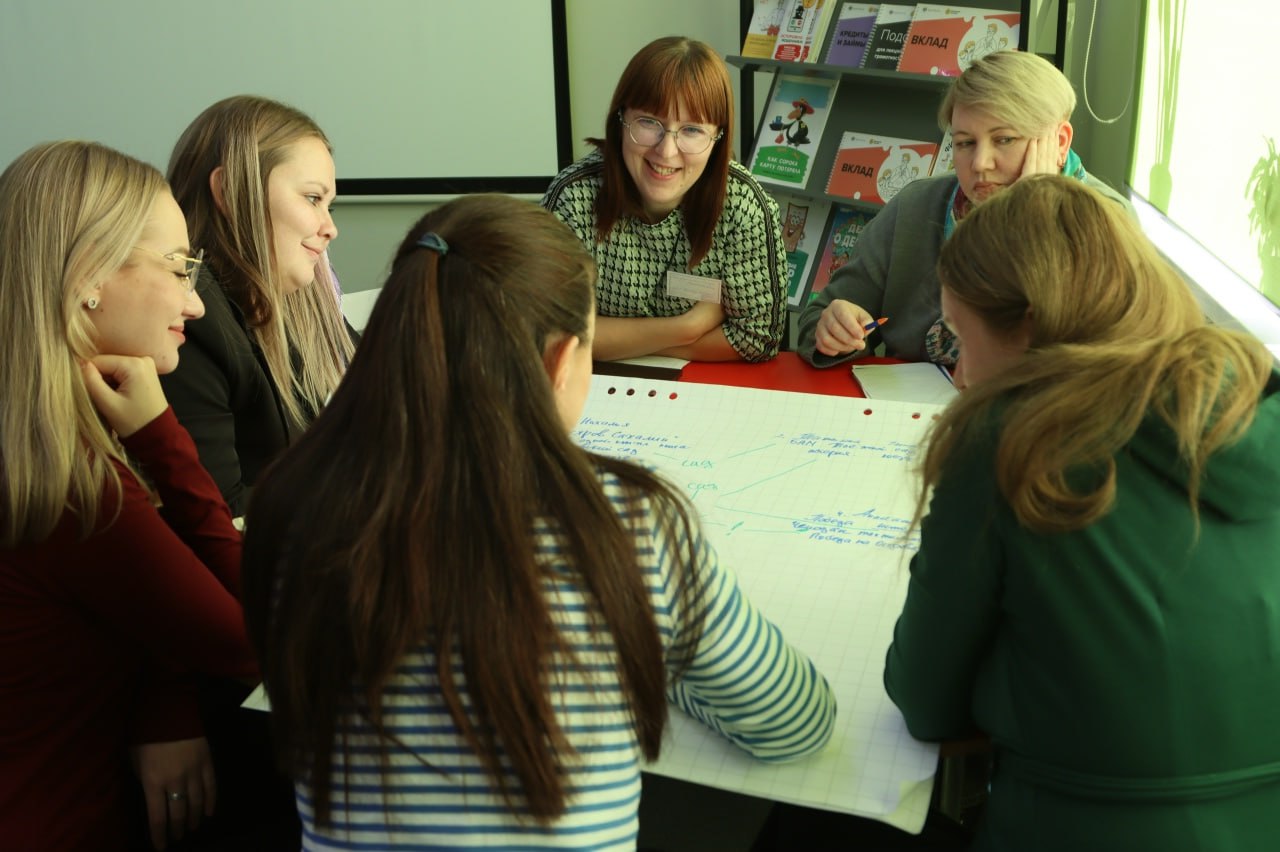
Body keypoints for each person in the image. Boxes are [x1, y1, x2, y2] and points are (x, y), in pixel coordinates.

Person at [241, 194, 836, 849]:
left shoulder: (293, 505)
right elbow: (794, 723)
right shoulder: (628, 523)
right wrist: (657, 654)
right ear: (560, 364)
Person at [883, 176, 1280, 851]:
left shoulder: (1009, 437)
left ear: (1032, 323)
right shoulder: (1255, 401)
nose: (965, 375)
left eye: (960, 339)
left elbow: (924, 701)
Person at [0, 141, 258, 851]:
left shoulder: (37, 441)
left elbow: (130, 602)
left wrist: (163, 698)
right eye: (179, 269)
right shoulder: (73, 484)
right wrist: (161, 435)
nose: (196, 303)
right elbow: (256, 639)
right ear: (86, 276)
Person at [797, 50, 1129, 368]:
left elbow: (1094, 363)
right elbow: (817, 320)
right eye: (965, 143)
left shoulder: (1109, 221)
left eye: (1004, 140)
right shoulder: (916, 206)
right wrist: (833, 328)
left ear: (1059, 142)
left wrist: (1033, 221)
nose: (980, 164)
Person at [162, 95, 355, 518]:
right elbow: (222, 513)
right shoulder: (190, 320)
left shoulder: (303, 304)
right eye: (311, 199)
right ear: (230, 191)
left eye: (330, 204)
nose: (330, 228)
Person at [542, 36, 787, 363]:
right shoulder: (574, 197)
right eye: (649, 122)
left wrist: (615, 340)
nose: (666, 151)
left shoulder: (744, 206)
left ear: (718, 138)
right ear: (621, 119)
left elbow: (760, 338)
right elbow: (548, 331)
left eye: (692, 130)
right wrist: (687, 327)